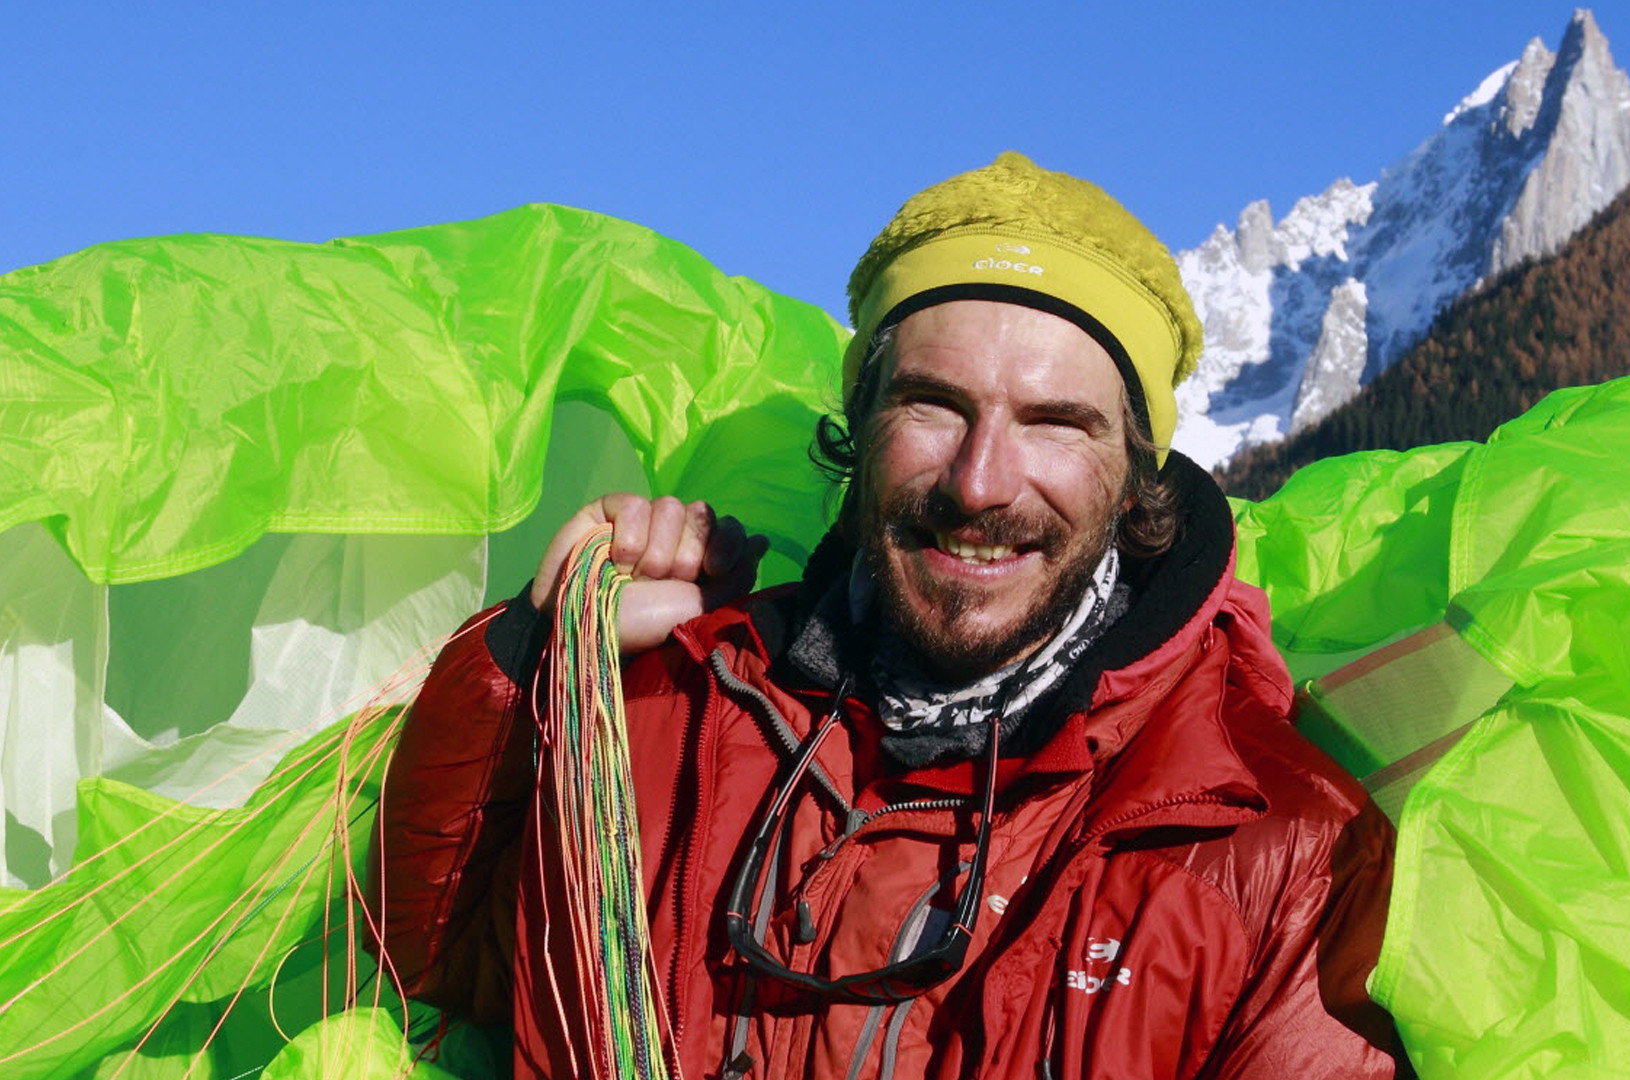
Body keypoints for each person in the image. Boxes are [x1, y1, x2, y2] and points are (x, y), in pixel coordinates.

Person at [373, 152, 1411, 1079]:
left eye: (1055, 423)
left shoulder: (1272, 850)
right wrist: (539, 651)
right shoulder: (666, 712)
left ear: (1137, 471)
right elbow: (431, 961)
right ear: (860, 424)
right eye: (933, 405)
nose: (980, 482)